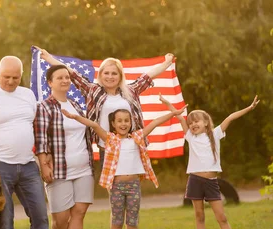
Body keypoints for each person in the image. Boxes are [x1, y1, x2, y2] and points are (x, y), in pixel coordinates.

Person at [36, 47, 174, 165]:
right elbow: (72, 73)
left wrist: (167, 62)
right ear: (101, 75)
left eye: (114, 73)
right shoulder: (93, 90)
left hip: (131, 146)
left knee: (131, 185)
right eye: (106, 73)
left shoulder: (130, 91)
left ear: (120, 76)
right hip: (106, 148)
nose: (110, 76)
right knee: (112, 188)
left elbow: (148, 76)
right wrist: (48, 57)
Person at [61, 100, 187, 229]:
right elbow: (94, 125)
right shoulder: (110, 139)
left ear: (131, 123)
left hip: (134, 185)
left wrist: (173, 113)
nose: (123, 124)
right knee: (117, 220)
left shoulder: (136, 137)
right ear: (113, 124)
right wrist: (75, 117)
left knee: (132, 221)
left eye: (127, 120)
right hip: (117, 186)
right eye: (119, 121)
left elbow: (155, 123)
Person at [161, 94, 260, 229]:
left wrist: (249, 107)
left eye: (196, 121)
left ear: (206, 122)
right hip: (195, 181)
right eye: (190, 123)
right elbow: (178, 116)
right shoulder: (190, 137)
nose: (193, 124)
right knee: (199, 216)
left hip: (211, 182)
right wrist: (166, 102)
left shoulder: (215, 134)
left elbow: (230, 117)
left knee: (222, 218)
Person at [0, 56, 49, 229]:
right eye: (6, 76)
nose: (10, 81)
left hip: (28, 166)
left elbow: (35, 128)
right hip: (0, 167)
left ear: (21, 75)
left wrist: (43, 158)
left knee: (41, 218)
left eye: (15, 77)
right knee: (5, 222)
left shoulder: (28, 95)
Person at [33, 65, 94, 229]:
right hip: (59, 170)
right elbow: (41, 139)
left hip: (84, 169)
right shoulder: (44, 107)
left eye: (67, 77)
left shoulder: (76, 105)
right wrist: (44, 166)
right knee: (61, 219)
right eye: (60, 78)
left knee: (79, 213)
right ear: (50, 82)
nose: (65, 80)